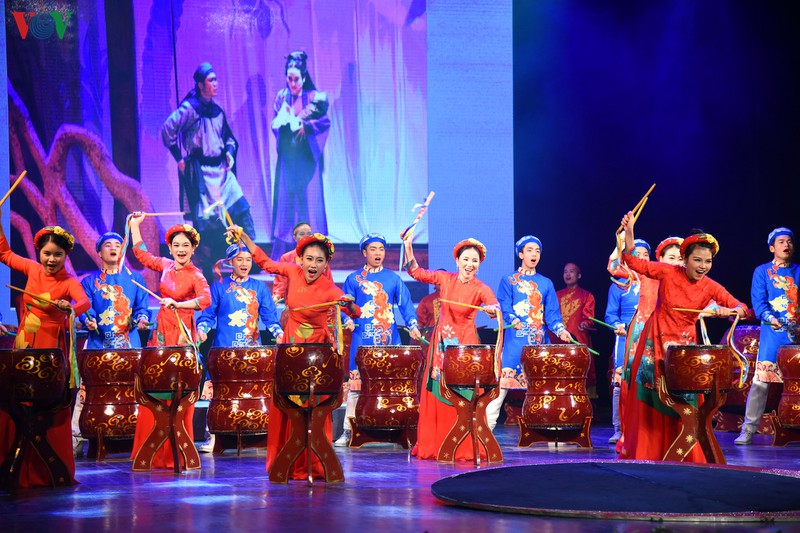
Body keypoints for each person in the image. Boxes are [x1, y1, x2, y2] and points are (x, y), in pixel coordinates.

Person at [229, 225, 359, 480]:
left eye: (319, 260)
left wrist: (349, 304)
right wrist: (243, 236)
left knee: (312, 407)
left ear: (326, 264)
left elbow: (355, 313)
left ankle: (314, 460)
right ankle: (286, 459)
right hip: (291, 348)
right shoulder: (291, 271)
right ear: (300, 259)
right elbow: (265, 262)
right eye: (309, 258)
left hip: (316, 354)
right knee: (288, 404)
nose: (313, 264)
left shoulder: (330, 289)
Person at [618, 212, 747, 462]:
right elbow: (633, 262)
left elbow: (740, 306)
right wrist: (630, 231)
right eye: (697, 260)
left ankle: (683, 454)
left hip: (684, 349)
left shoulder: (710, 285)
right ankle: (649, 452)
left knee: (684, 402)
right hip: (655, 341)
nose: (702, 266)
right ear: (685, 259)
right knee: (654, 397)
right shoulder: (668, 272)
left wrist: (729, 311)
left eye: (707, 261)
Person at [0, 218, 90, 487]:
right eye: (47, 253)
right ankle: (15, 466)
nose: (51, 259)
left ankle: (44, 470)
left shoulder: (69, 281)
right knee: (17, 402)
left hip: (50, 350)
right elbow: (4, 253)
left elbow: (84, 302)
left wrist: (69, 307)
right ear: (39, 252)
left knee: (44, 405)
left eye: (58, 254)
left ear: (66, 255)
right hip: (24, 345)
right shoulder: (32, 269)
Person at [403, 235, 499, 461]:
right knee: (440, 392)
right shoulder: (445, 279)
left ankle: (464, 447)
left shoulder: (481, 288)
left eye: (474, 261)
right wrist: (408, 246)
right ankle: (435, 444)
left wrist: (492, 310)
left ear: (479, 264)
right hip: (442, 347)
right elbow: (416, 272)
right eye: (466, 259)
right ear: (457, 261)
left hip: (465, 347)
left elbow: (493, 305)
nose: (470, 264)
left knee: (464, 396)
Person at [128, 212, 211, 469]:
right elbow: (142, 254)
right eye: (176, 245)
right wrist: (135, 226)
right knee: (155, 386)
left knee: (178, 391)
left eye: (186, 245)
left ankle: (176, 451)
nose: (181, 249)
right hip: (162, 332)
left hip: (182, 335)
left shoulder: (196, 275)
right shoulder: (165, 265)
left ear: (193, 248)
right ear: (171, 248)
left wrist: (179, 303)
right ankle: (152, 449)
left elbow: (205, 300)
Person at [162, 62, 255, 281]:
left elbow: (229, 138)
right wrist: (179, 159)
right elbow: (168, 129)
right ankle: (208, 271)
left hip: (222, 172)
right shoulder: (190, 109)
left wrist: (229, 153)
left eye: (215, 79)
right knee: (207, 223)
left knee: (241, 209)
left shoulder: (217, 110)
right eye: (211, 80)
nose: (215, 84)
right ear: (201, 85)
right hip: (202, 175)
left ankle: (250, 260)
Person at [195, 241, 284, 452]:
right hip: (224, 350)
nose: (245, 263)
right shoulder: (219, 287)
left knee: (253, 392)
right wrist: (202, 328)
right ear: (230, 262)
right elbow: (208, 315)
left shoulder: (259, 287)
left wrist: (278, 333)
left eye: (248, 259)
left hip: (252, 352)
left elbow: (270, 317)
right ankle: (213, 436)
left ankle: (256, 434)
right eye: (239, 260)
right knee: (219, 394)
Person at [335, 233, 422, 446]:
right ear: (364, 252)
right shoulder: (353, 279)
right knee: (357, 386)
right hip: (362, 339)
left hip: (389, 339)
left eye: (381, 249)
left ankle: (395, 427)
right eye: (373, 249)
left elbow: (406, 305)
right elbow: (344, 305)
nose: (378, 253)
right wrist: (347, 319)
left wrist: (412, 325)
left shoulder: (393, 278)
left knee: (392, 385)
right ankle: (349, 430)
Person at [488, 235, 572, 431]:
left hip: (538, 342)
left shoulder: (546, 283)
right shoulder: (508, 280)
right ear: (520, 254)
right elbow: (504, 306)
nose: (534, 254)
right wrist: (512, 319)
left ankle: (549, 429)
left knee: (543, 388)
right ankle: (486, 429)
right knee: (502, 385)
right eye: (529, 250)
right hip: (514, 343)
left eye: (537, 251)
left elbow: (552, 315)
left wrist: (561, 330)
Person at [609, 235, 683, 451]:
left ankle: (666, 436)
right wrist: (620, 243)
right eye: (671, 258)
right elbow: (614, 267)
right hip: (641, 333)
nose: (676, 262)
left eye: (680, 258)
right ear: (660, 259)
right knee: (635, 383)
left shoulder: (685, 280)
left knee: (667, 384)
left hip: (668, 335)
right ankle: (631, 435)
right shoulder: (646, 273)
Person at [735, 227, 798, 445]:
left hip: (797, 336)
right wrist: (772, 318)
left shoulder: (799, 271)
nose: (787, 245)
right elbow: (759, 303)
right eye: (781, 241)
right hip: (774, 334)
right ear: (772, 248)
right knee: (761, 382)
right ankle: (748, 429)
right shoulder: (762, 271)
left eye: (790, 241)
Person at [271, 51, 331, 259]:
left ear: (304, 78)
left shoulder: (314, 97)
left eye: (297, 79)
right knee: (287, 204)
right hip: (289, 158)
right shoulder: (282, 97)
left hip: (306, 158)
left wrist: (307, 126)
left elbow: (324, 122)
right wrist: (283, 124)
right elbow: (276, 123)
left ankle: (312, 253)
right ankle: (286, 256)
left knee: (308, 203)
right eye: (290, 79)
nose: (293, 83)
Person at [604, 238, 649, 444]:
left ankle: (645, 427)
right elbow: (610, 315)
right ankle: (619, 428)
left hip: (648, 336)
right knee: (620, 383)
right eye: (637, 254)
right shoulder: (619, 285)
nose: (642, 258)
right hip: (625, 337)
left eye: (645, 255)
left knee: (647, 381)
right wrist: (617, 325)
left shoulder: (655, 280)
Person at [81, 232, 150, 349]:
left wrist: (142, 319)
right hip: (98, 344)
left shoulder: (135, 279)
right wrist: (89, 320)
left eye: (118, 246)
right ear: (99, 252)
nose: (113, 248)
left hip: (129, 344)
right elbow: (86, 309)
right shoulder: (89, 282)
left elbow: (141, 307)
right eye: (108, 245)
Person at [554, 262, 597, 395]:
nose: (567, 274)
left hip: (577, 339)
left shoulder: (587, 296)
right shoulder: (556, 295)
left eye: (571, 271)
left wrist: (585, 324)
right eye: (565, 271)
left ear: (579, 275)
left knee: (580, 371)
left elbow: (588, 318)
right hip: (558, 340)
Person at [272, 221, 332, 304]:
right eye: (302, 234)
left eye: (309, 234)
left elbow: (328, 283)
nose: (306, 237)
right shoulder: (286, 258)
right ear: (294, 237)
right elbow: (281, 282)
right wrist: (277, 296)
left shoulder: (321, 257)